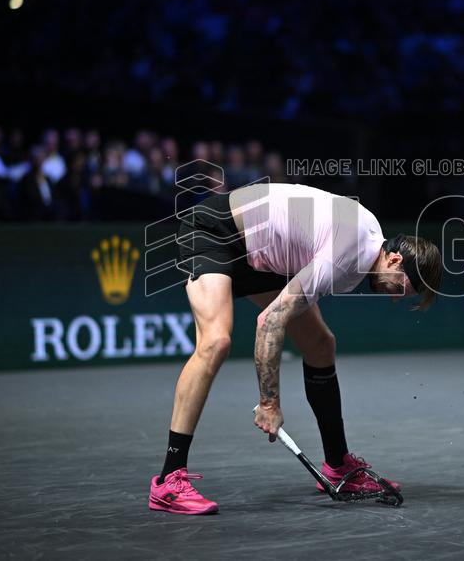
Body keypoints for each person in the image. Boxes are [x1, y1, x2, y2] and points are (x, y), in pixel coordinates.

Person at [148, 182, 443, 515]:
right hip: (215, 231)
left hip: (260, 254)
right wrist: (269, 403)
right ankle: (168, 480)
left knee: (320, 344)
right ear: (395, 259)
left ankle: (338, 465)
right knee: (216, 341)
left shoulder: (369, 241)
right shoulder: (346, 257)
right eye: (402, 288)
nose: (395, 298)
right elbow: (270, 322)